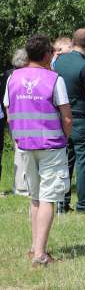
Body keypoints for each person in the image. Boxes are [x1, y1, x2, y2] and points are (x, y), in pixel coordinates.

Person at [4, 34, 72, 266]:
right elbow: (67, 117)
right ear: (46, 55)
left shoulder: (13, 77)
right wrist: (65, 137)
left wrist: (17, 134)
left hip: (24, 144)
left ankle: (35, 248)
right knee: (47, 198)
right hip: (51, 145)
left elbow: (8, 109)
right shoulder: (54, 79)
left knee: (34, 198)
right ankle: (41, 255)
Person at [54, 28, 85, 214]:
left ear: (73, 41)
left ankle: (61, 203)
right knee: (84, 164)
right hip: (83, 120)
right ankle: (83, 205)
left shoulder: (58, 62)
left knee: (65, 162)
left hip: (62, 118)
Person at [1, 48, 30, 197]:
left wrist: (8, 116)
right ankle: (21, 187)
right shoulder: (16, 76)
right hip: (20, 117)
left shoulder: (8, 74)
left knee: (19, 151)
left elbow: (5, 100)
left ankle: (20, 185)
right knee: (22, 152)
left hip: (13, 116)